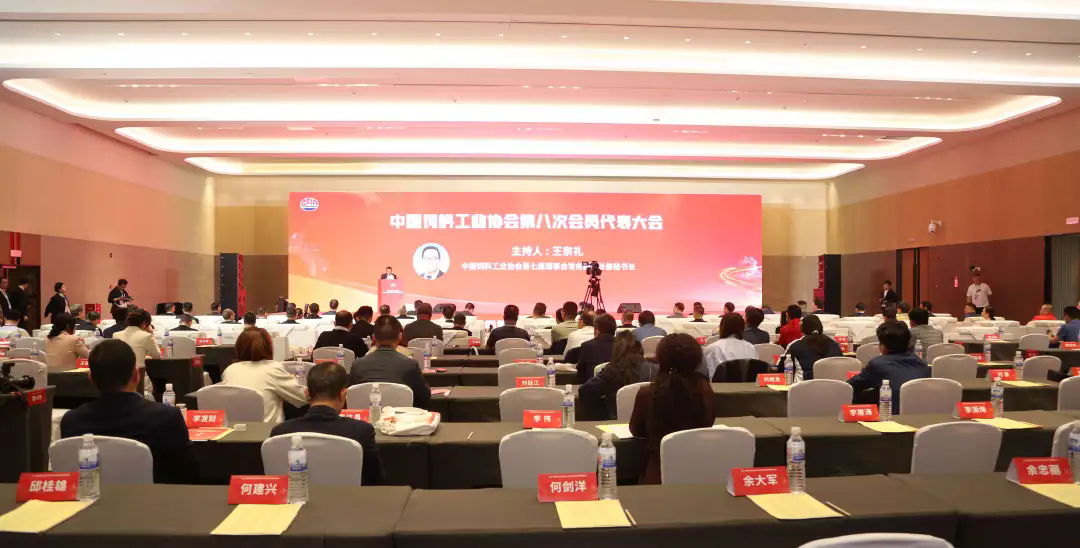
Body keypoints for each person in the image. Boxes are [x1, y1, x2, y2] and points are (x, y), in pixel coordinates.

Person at [60, 339, 199, 483]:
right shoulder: (167, 417)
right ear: (136, 375)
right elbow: (189, 474)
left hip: (92, 497)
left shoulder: (71, 421)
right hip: (154, 497)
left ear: (91, 379)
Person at [271, 362, 384, 485]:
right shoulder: (362, 432)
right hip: (349, 497)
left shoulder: (279, 433)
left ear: (307, 394)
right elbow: (375, 480)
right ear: (343, 394)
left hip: (297, 497)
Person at [629, 333, 713, 484]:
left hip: (658, 474)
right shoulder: (705, 389)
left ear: (660, 358)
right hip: (699, 471)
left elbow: (637, 431)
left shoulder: (647, 393)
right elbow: (708, 423)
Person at [221, 328, 307, 423]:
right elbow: (303, 397)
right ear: (268, 347)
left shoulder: (229, 370)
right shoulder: (272, 368)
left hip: (234, 429)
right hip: (268, 429)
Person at [348, 315, 431, 409]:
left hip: (366, 417)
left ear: (373, 338)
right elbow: (424, 397)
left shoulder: (357, 365)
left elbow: (349, 396)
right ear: (400, 337)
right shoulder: (410, 365)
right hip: (401, 417)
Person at [847, 321, 930, 415]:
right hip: (922, 416)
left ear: (883, 346)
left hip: (890, 417)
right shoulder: (922, 363)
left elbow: (849, 386)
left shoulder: (878, 364)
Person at [579, 331, 657, 420]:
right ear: (640, 349)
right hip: (648, 421)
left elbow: (585, 390)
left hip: (614, 421)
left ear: (615, 350)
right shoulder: (655, 369)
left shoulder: (610, 370)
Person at [784, 315, 842, 381]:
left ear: (802, 329)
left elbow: (783, 368)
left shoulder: (795, 346)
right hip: (833, 386)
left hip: (805, 386)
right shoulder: (835, 345)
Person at [702, 314, 757, 379]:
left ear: (722, 327)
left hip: (719, 385)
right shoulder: (750, 347)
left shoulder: (712, 348)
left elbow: (706, 374)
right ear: (743, 328)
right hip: (749, 385)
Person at [576, 313, 617, 383]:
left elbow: (580, 370)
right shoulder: (624, 346)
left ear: (596, 330)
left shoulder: (587, 346)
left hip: (592, 385)